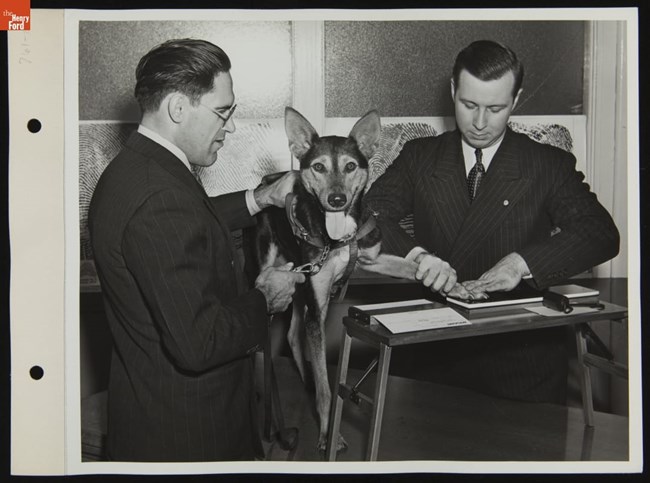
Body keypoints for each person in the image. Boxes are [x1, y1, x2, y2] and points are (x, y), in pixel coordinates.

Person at [363, 40, 619, 404]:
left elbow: (601, 234)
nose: (480, 123)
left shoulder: (547, 164)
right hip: (432, 360)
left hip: (522, 367)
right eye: (468, 105)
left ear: (516, 100)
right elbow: (369, 216)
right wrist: (419, 259)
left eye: (495, 108)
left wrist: (523, 263)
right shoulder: (420, 157)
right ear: (453, 90)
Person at [88, 39, 305, 462]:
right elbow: (199, 343)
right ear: (177, 108)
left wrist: (261, 198)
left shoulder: (135, 170)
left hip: (155, 414)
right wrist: (265, 299)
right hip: (190, 435)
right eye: (223, 112)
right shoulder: (160, 198)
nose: (231, 127)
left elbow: (184, 228)